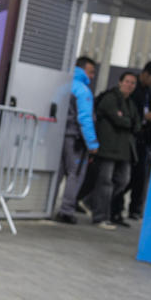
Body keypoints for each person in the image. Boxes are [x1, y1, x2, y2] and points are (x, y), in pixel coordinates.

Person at [90, 70, 140, 230]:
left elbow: (137, 124)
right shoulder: (110, 98)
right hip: (108, 148)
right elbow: (119, 120)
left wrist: (126, 120)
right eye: (127, 81)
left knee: (123, 180)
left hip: (124, 151)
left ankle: (93, 202)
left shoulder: (131, 104)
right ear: (120, 82)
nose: (129, 85)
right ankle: (100, 216)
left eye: (133, 83)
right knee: (105, 182)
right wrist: (127, 121)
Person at [53, 57, 99, 224]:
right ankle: (66, 211)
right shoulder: (83, 91)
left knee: (56, 174)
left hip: (58, 137)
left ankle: (47, 207)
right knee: (75, 175)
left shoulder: (63, 86)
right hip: (76, 140)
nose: (93, 76)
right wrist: (92, 143)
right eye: (91, 71)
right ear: (83, 70)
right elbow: (85, 119)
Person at [124, 61, 151, 220]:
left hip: (144, 139)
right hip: (131, 136)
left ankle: (135, 208)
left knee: (140, 176)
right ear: (146, 74)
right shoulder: (134, 88)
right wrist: (143, 117)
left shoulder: (150, 91)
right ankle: (118, 205)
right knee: (126, 175)